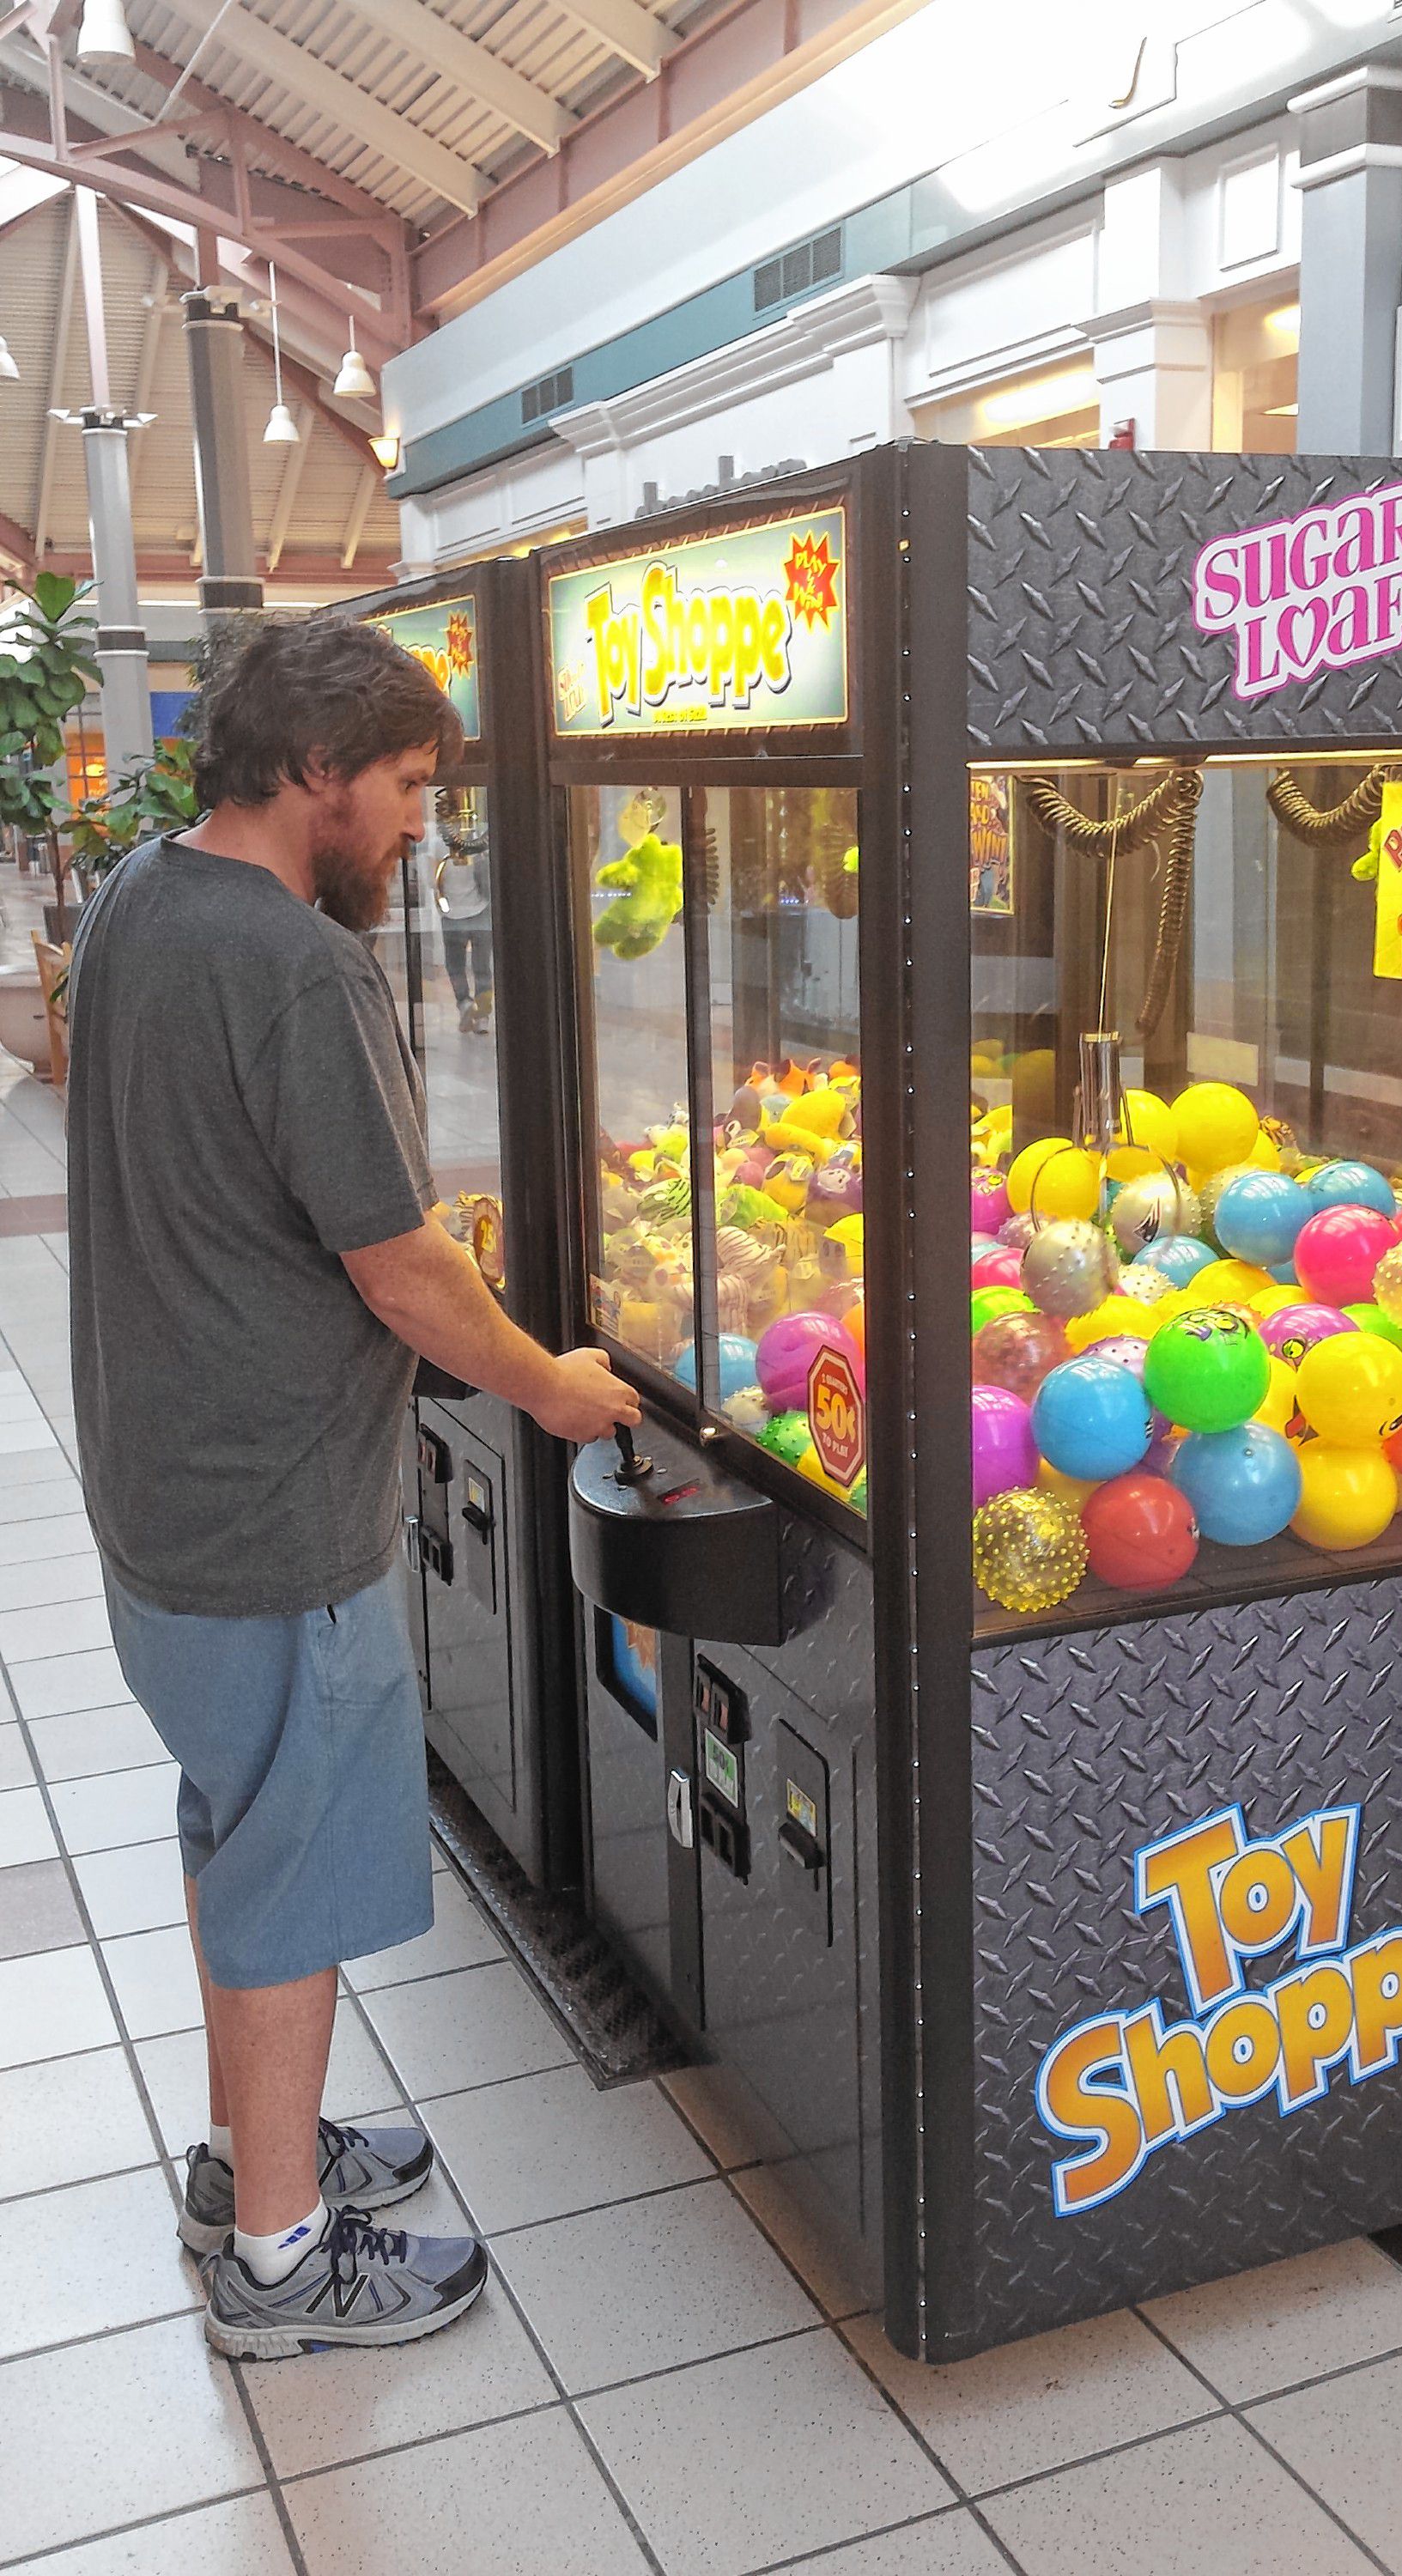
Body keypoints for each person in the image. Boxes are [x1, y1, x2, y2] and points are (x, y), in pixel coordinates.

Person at [65, 615, 640, 2362]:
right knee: (292, 1872)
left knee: (235, 1831)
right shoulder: (302, 970)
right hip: (272, 1514)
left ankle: (254, 2155)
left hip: (162, 1488)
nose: (416, 825)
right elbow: (396, 1270)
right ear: (317, 771)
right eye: (403, 786)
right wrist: (549, 1383)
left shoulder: (136, 902)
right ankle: (279, 2257)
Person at [433, 794, 493, 1032]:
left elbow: (432, 881)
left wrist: (443, 905)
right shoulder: (476, 840)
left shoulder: (438, 844)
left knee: (455, 965)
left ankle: (465, 1003)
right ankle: (483, 1017)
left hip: (452, 915)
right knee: (482, 967)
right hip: (479, 911)